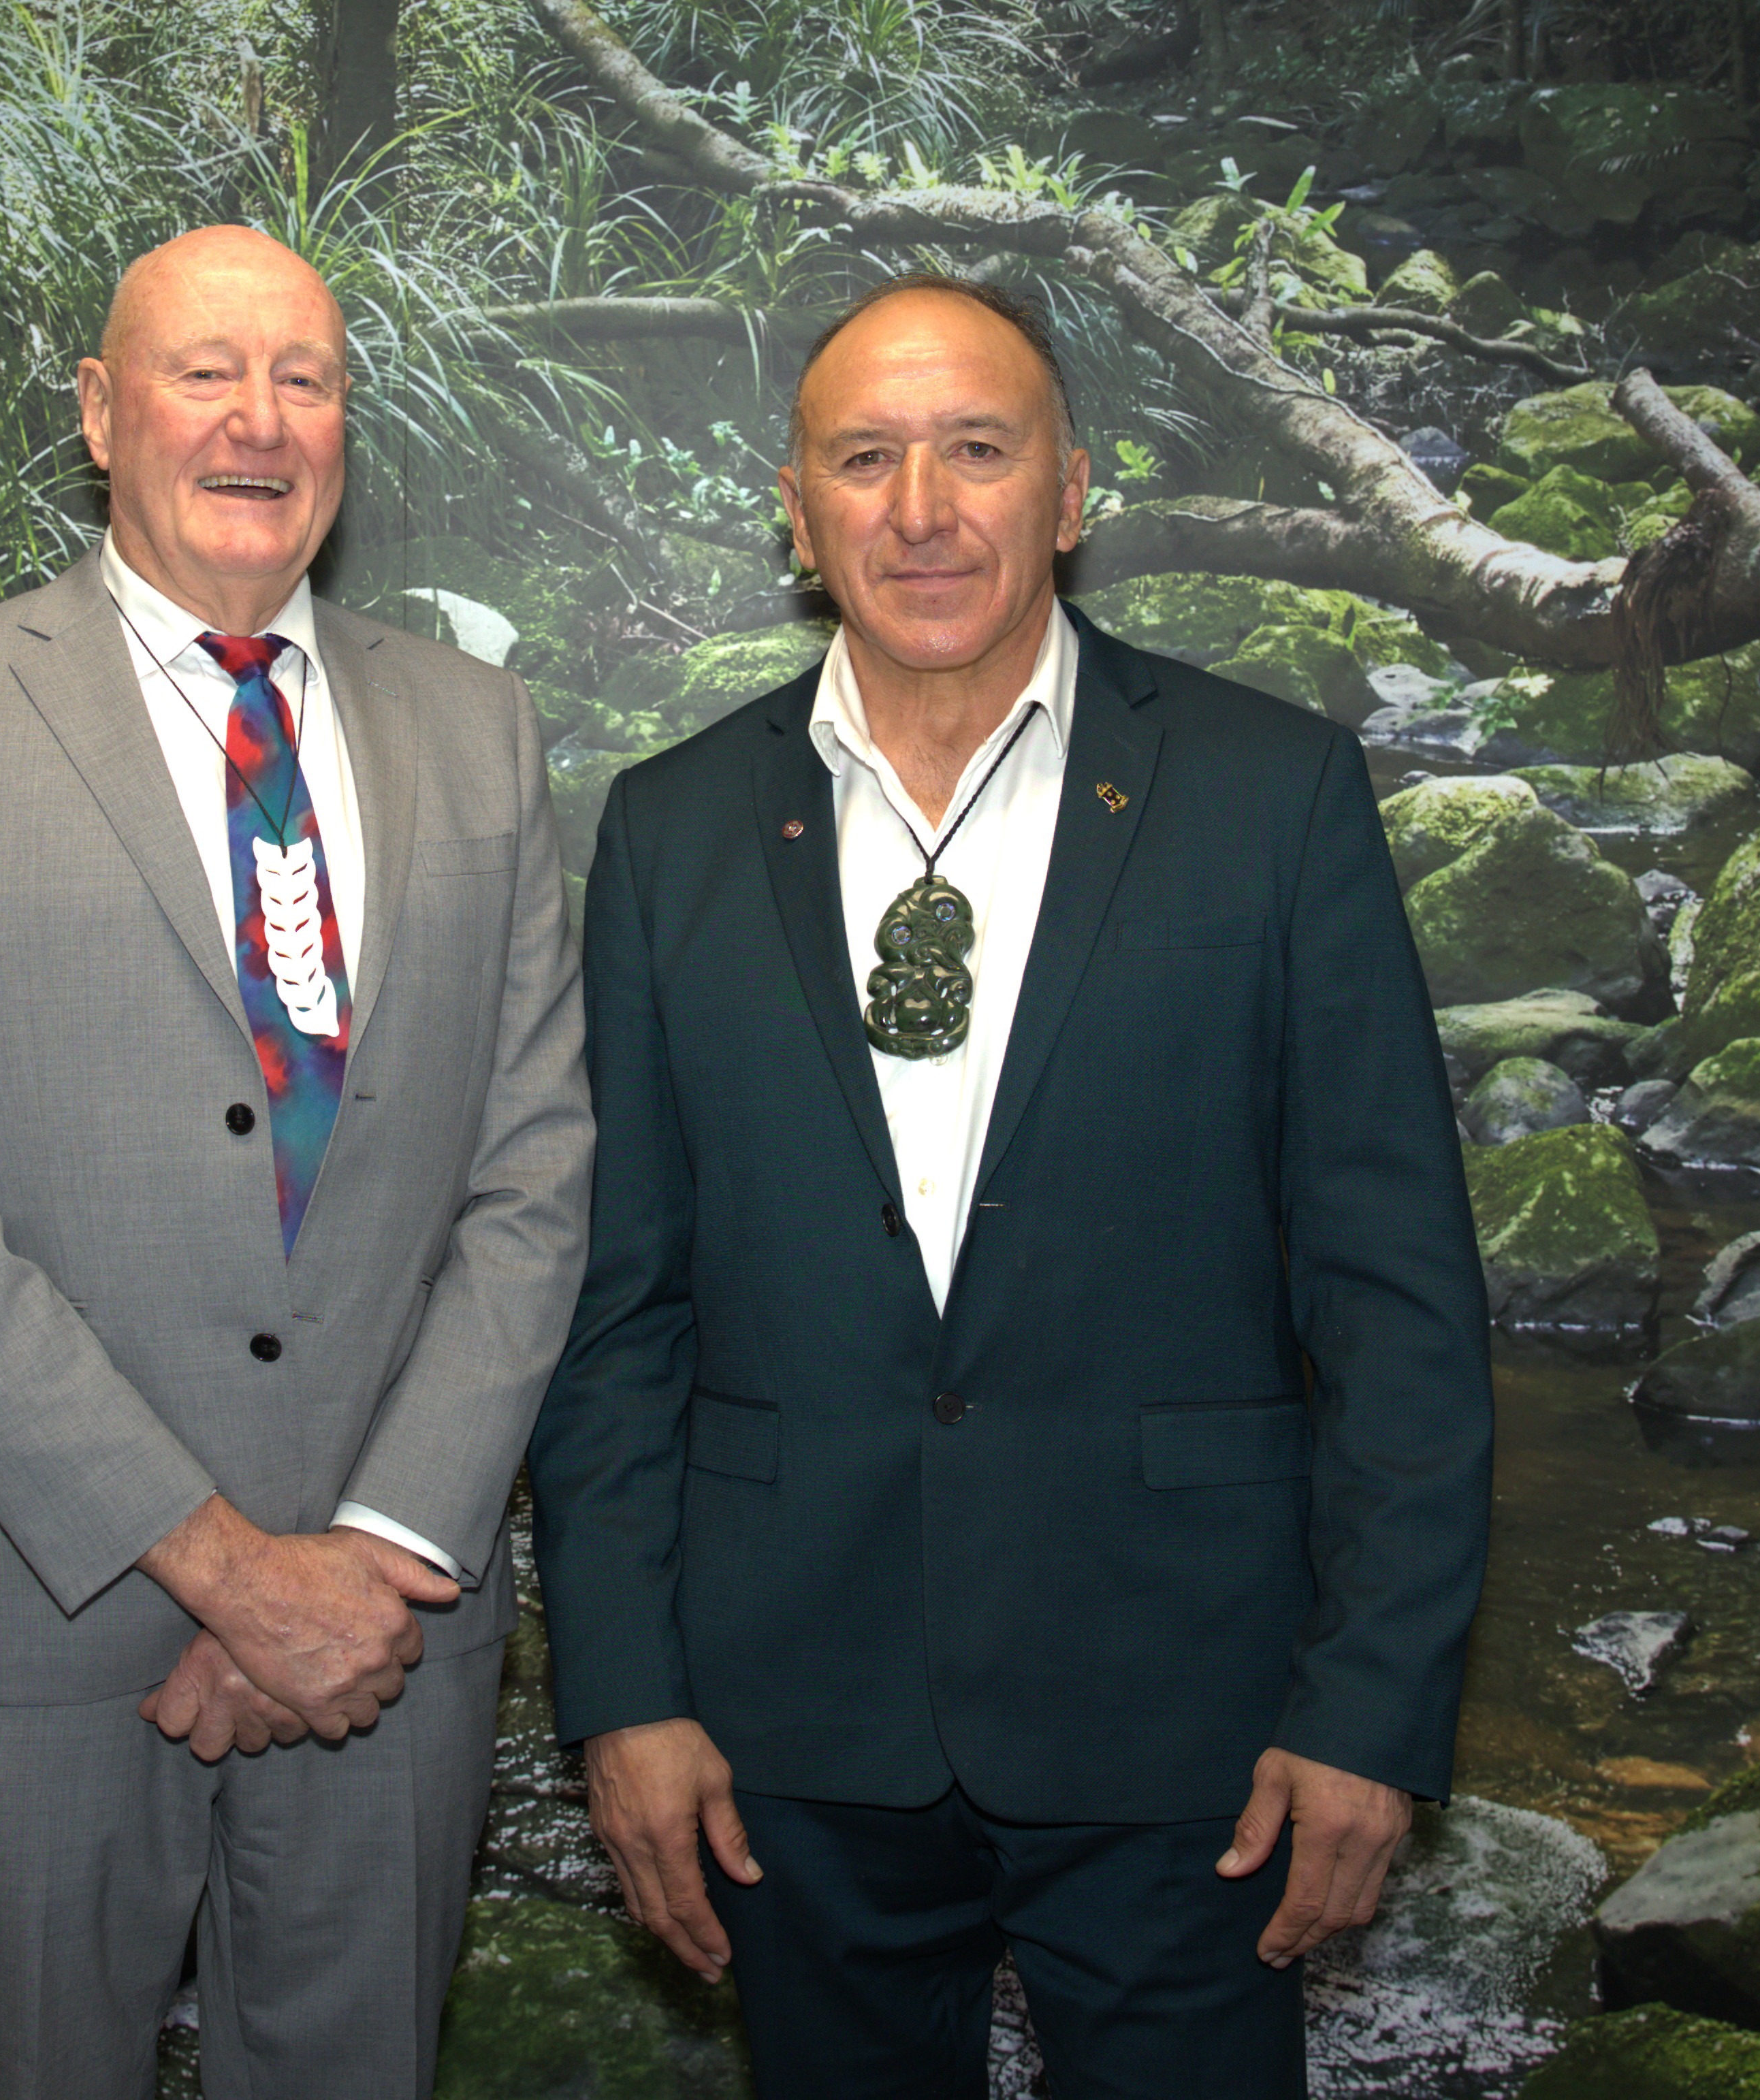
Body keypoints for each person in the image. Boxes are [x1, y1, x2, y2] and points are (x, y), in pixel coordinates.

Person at [526, 274, 1496, 2093]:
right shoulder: (667, 831)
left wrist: (1371, 1704)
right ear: (796, 512)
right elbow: (617, 1307)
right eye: (864, 457)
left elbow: (1390, 1291)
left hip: (1181, 1720)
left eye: (975, 449)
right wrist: (623, 1688)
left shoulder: (1269, 794)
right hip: (783, 1727)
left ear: (1067, 490)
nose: (920, 508)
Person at [0, 224, 592, 2100]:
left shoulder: (476, 730)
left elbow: (533, 1168)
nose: (255, 420)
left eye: (301, 377)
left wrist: (367, 1559)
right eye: (202, 371)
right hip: (29, 1610)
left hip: (393, 1640)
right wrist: (230, 1570)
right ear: (97, 411)